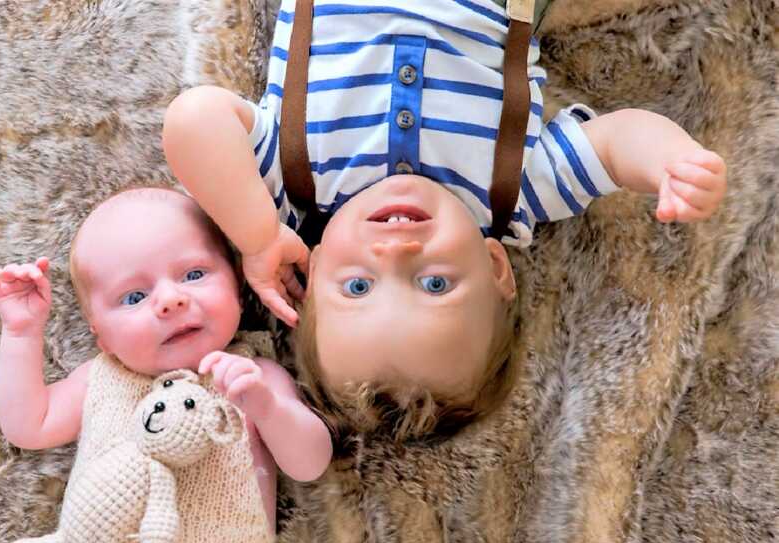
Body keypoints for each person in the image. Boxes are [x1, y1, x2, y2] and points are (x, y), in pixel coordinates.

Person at [162, 0, 727, 438]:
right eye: (435, 283)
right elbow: (611, 146)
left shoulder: (292, 185)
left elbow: (194, 121)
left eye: (357, 286)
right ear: (494, 266)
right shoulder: (512, 194)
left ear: (309, 277)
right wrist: (669, 162)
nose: (395, 253)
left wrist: (257, 237)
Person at [0, 187, 332, 543]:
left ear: (237, 285)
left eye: (194, 274)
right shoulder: (100, 378)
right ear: (102, 336)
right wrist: (22, 333)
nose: (170, 300)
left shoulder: (255, 376)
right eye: (134, 296)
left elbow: (311, 465)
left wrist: (267, 408)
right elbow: (27, 425)